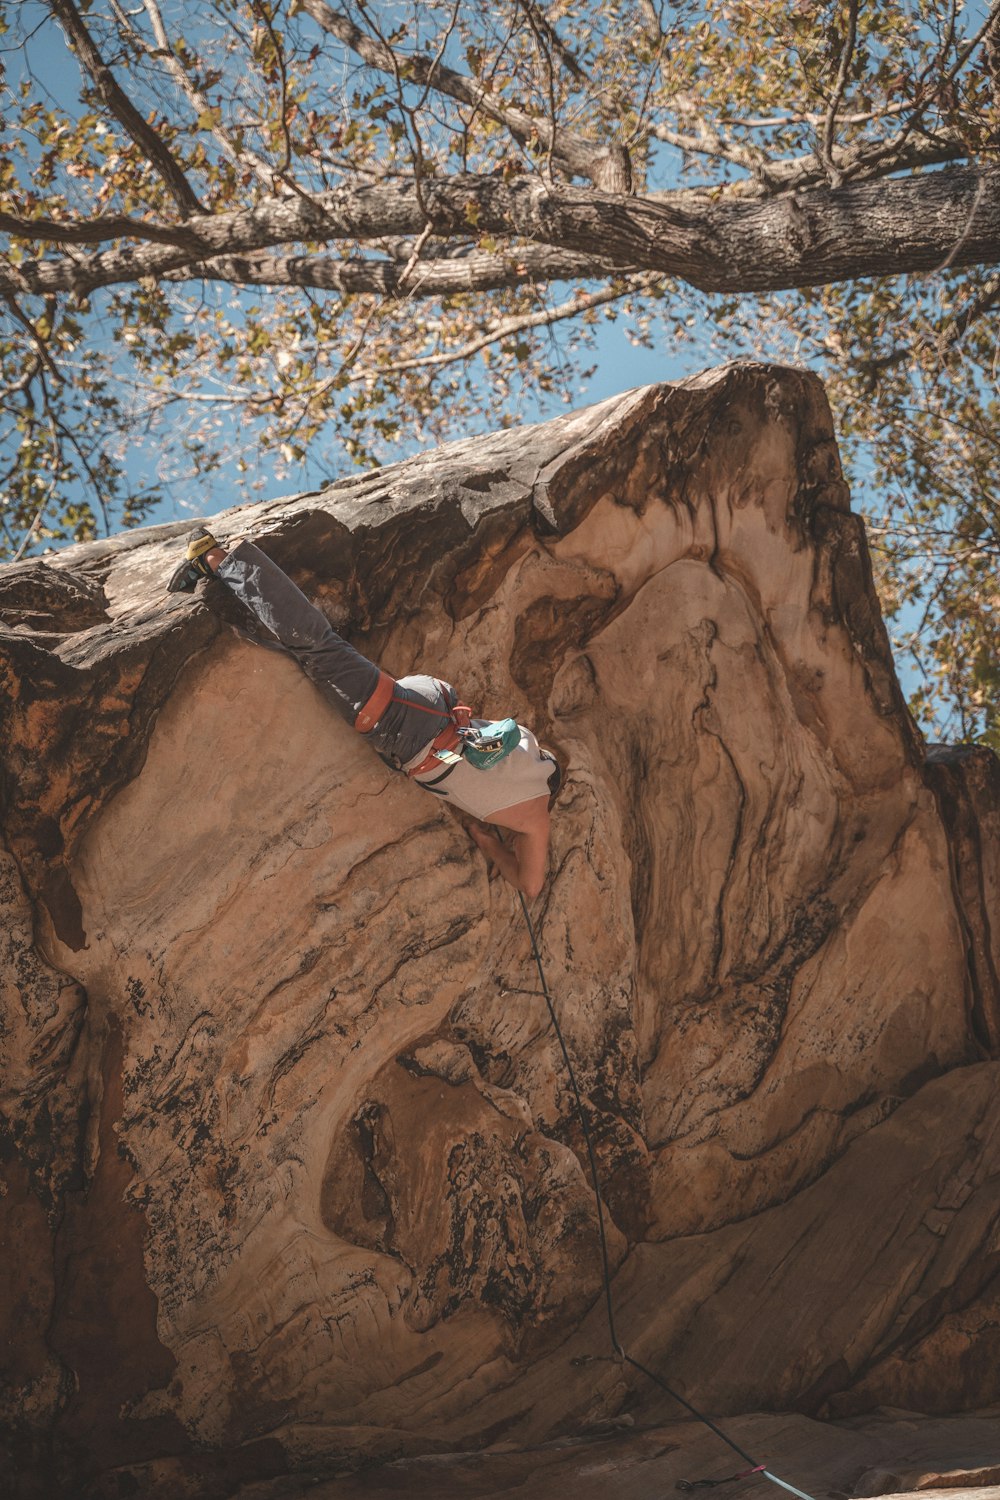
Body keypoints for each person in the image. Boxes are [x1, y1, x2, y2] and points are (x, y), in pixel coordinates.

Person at [169, 527, 561, 899]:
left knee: (312, 662)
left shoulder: (525, 753)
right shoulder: (535, 820)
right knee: (318, 647)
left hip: (433, 706)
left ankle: (236, 610)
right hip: (407, 726)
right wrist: (491, 844)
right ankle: (217, 559)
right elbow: (530, 885)